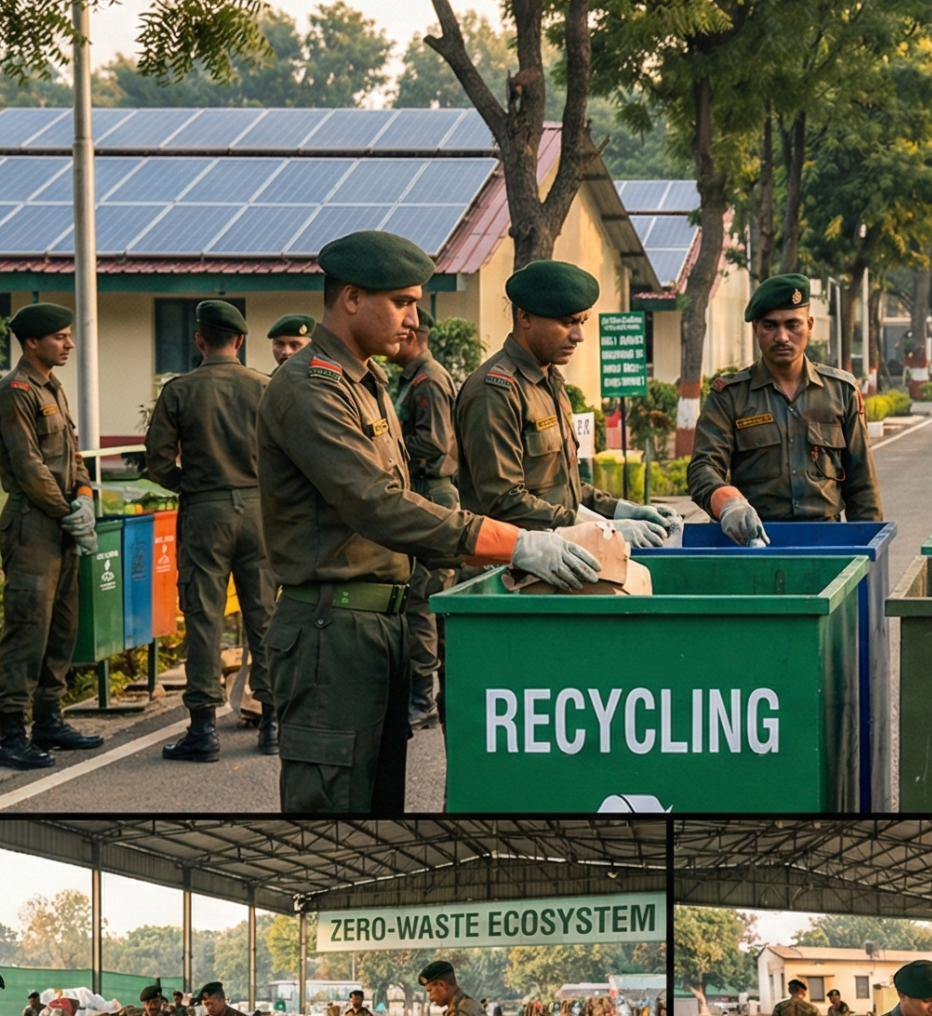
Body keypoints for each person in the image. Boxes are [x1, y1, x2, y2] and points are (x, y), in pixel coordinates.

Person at [258, 232, 599, 812]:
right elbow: (378, 504)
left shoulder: (367, 383)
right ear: (351, 297)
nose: (414, 320)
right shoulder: (311, 387)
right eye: (402, 303)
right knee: (334, 815)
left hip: (378, 625)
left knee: (382, 808)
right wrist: (514, 543)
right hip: (330, 630)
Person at [452, 259, 675, 553]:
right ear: (525, 317)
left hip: (559, 560)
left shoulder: (551, 383)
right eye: (567, 322)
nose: (578, 335)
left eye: (581, 322)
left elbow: (562, 489)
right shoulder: (494, 392)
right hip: (509, 570)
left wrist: (620, 510)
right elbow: (504, 501)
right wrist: (601, 528)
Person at [144, 299, 279, 761]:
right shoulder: (265, 388)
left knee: (204, 617)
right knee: (264, 614)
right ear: (239, 341)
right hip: (260, 510)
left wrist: (192, 485)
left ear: (199, 339)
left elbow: (158, 460)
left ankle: (203, 729)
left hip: (205, 512)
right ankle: (273, 723)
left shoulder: (180, 390)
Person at [0, 303, 104, 770]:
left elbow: (70, 454)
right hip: (33, 523)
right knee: (27, 628)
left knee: (62, 624)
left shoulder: (52, 388)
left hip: (61, 520)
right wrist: (65, 511)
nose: (69, 344)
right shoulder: (14, 392)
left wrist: (84, 495)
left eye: (69, 335)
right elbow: (29, 465)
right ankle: (11, 734)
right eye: (60, 336)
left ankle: (49, 719)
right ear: (32, 342)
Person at [691, 273, 881, 543]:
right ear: (755, 328)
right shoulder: (730, 397)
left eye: (793, 325)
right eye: (770, 326)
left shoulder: (840, 391)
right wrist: (727, 501)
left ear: (810, 325)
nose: (782, 336)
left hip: (827, 544)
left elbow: (862, 487)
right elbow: (703, 467)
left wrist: (869, 547)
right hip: (754, 543)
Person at [386, 313, 462, 731]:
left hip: (431, 492)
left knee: (422, 598)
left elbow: (433, 443)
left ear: (412, 334)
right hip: (421, 492)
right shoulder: (411, 378)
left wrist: (387, 451)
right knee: (426, 597)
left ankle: (423, 696)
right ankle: (427, 691)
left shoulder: (427, 379)